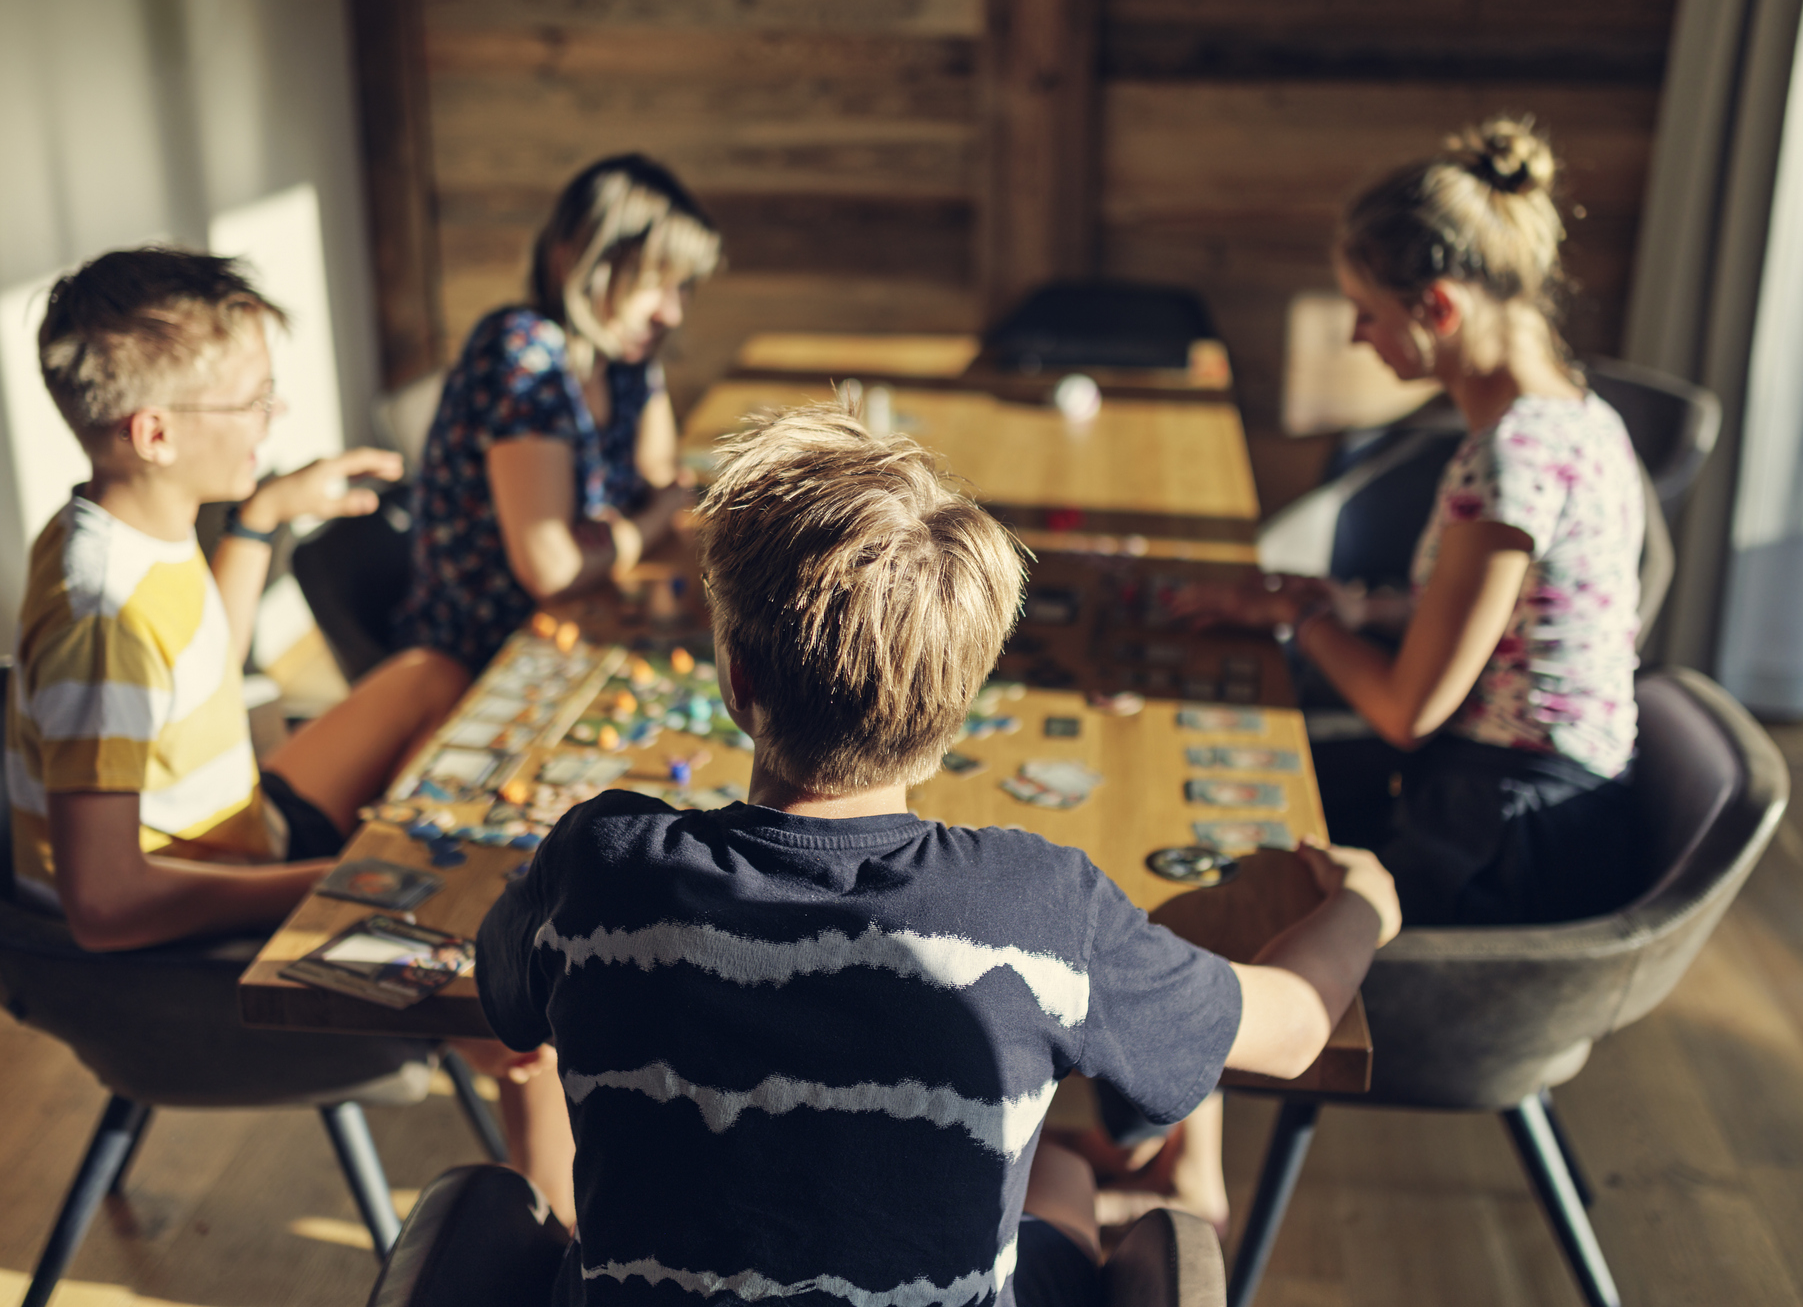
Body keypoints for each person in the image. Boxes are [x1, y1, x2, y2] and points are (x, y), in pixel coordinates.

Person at [475, 404, 1402, 1307]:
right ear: (960, 704)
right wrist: (1364, 904)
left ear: (738, 678)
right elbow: (1294, 1031)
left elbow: (505, 1009)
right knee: (1065, 1181)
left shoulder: (598, 867)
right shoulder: (1043, 911)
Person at [7, 247, 568, 1213]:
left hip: (233, 828)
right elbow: (104, 902)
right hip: (178, 936)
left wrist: (263, 516)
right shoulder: (101, 620)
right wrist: (341, 878)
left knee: (428, 677)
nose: (276, 418)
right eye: (255, 401)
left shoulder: (130, 517)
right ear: (154, 431)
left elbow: (201, 672)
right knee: (532, 1027)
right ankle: (561, 1263)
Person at [1177, 118, 1648, 928]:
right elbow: (1516, 619)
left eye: (1365, 311)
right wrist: (1363, 607)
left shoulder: (1513, 457)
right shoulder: (1580, 415)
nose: (1358, 335)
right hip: (1546, 797)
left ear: (1437, 306)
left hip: (1512, 834)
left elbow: (1409, 712)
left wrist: (1305, 616)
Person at [394, 153, 720, 676]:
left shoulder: (622, 355)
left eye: (682, 287)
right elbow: (555, 569)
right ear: (574, 264)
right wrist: (649, 519)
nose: (673, 312)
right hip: (483, 657)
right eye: (652, 283)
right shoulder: (520, 352)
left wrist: (631, 527)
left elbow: (661, 477)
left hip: (585, 613)